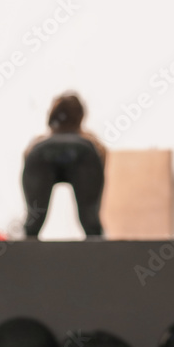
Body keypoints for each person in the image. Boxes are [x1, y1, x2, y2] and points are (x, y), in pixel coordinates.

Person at [22, 92, 107, 238]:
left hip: (41, 155)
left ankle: (25, 257)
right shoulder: (93, 145)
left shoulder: (37, 145)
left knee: (33, 223)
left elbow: (26, 159)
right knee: (91, 222)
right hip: (83, 154)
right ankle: (97, 257)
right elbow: (102, 164)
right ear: (80, 117)